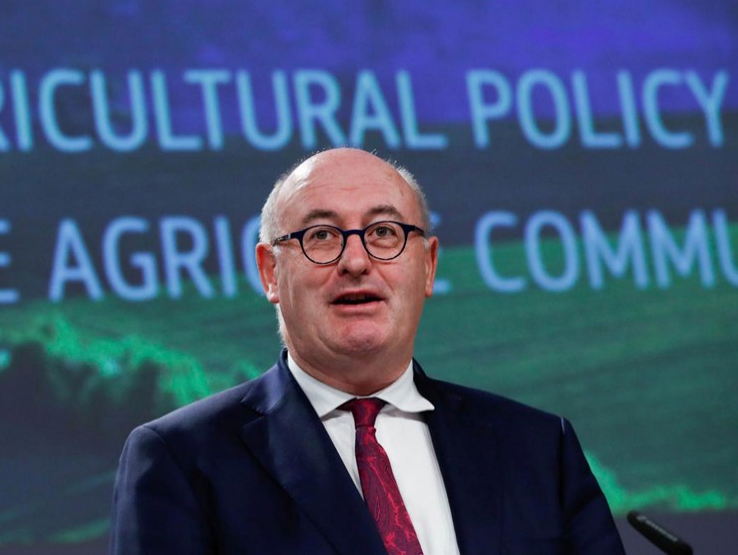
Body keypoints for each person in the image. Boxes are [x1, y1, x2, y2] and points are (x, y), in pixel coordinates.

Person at [109, 148, 625, 554]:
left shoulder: (537, 448)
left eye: (384, 232)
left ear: (428, 265)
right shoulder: (183, 459)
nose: (355, 260)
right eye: (322, 235)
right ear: (270, 272)